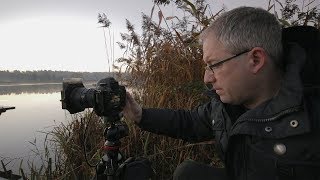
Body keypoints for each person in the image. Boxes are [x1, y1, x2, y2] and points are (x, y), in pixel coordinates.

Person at [123, 6, 320, 180]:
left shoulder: (313, 116)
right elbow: (190, 122)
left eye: (214, 65)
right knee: (188, 173)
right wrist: (141, 115)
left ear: (256, 60)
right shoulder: (227, 105)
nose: (207, 78)